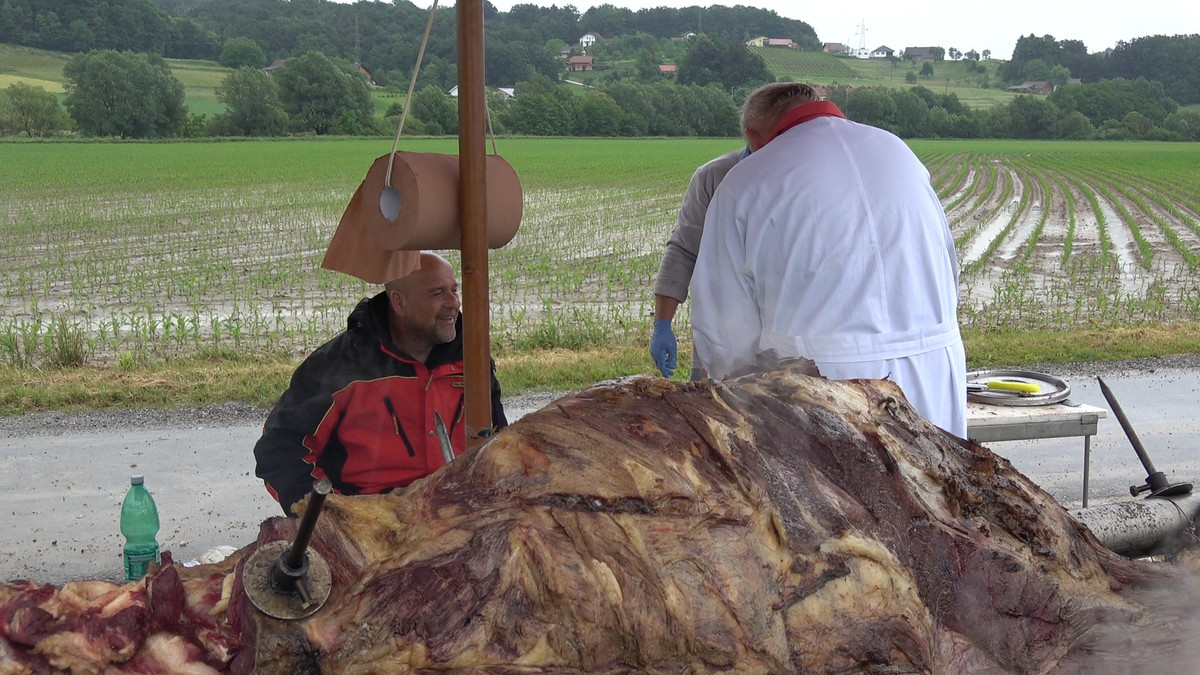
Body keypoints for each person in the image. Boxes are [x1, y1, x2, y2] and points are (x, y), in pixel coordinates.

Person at [690, 82, 967, 437]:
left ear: (752, 136)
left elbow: (723, 329)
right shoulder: (897, 152)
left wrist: (737, 402)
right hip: (932, 371)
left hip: (822, 388)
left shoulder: (746, 181)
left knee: (842, 492)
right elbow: (949, 269)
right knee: (944, 485)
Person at [254, 252, 508, 513]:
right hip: (368, 522)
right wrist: (331, 515)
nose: (453, 303)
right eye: (438, 293)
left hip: (456, 513)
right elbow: (280, 451)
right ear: (399, 302)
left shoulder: (472, 361)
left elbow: (500, 442)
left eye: (454, 290)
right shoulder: (340, 366)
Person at [650, 147, 746, 380]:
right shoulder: (714, 177)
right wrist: (662, 324)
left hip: (790, 349)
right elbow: (683, 250)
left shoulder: (805, 177)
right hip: (718, 344)